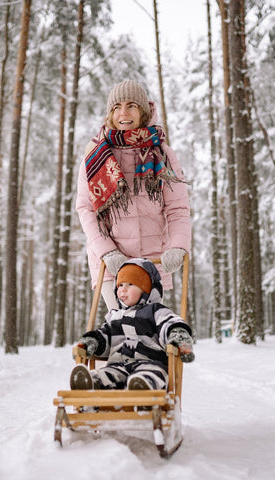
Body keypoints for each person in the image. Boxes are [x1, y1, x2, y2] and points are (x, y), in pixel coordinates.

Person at [75, 79, 191, 310]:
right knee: (124, 328)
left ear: (144, 111)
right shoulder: (95, 155)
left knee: (148, 332)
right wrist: (107, 252)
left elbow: (177, 208)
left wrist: (177, 246)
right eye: (116, 107)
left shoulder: (163, 154)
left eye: (132, 105)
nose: (123, 113)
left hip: (151, 262)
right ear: (110, 113)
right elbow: (87, 210)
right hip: (111, 263)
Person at [70, 258, 195, 390]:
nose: (123, 290)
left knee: (152, 375)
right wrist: (92, 341)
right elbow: (104, 336)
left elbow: (169, 323)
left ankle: (143, 388)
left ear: (147, 289)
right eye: (120, 285)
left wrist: (177, 334)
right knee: (107, 374)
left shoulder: (155, 311)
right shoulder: (114, 316)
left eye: (130, 284)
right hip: (118, 366)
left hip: (150, 363)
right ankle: (91, 384)